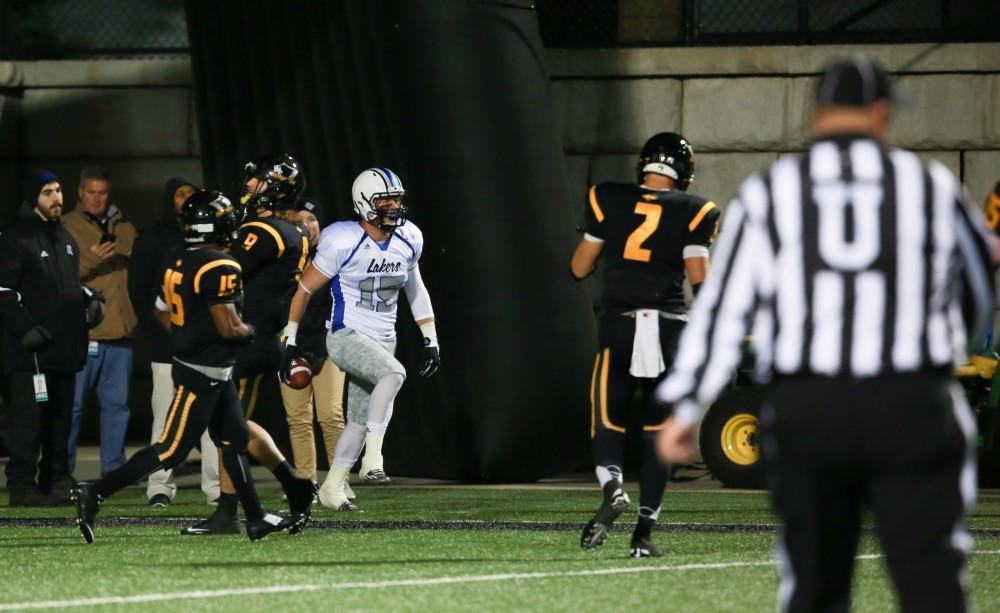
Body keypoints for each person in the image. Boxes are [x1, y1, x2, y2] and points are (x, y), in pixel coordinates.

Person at [656, 56, 995, 612]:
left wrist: (688, 406)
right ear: (881, 115)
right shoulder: (926, 184)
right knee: (932, 581)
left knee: (813, 586)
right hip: (910, 402)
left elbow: (723, 308)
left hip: (811, 406)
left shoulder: (772, 191)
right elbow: (977, 299)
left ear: (817, 114)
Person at [71, 190, 300, 543]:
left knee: (234, 439)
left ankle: (255, 517)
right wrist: (251, 332)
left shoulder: (177, 261)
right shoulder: (221, 265)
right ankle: (96, 492)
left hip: (205, 366)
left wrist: (188, 334)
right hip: (204, 371)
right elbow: (229, 327)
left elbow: (161, 312)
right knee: (171, 448)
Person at [569, 132, 719, 558]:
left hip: (621, 324)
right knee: (658, 433)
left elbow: (579, 267)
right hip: (669, 328)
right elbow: (700, 282)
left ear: (644, 164)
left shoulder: (608, 198)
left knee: (607, 420)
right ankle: (643, 536)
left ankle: (613, 486)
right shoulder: (697, 210)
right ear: (684, 173)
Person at [285, 167, 441, 511]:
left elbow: (416, 290)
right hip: (345, 334)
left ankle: (332, 486)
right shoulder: (342, 239)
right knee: (394, 374)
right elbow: (304, 290)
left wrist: (430, 337)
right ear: (364, 203)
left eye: (396, 199)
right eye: (384, 199)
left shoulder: (408, 237)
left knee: (355, 421)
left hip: (384, 338)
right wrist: (290, 337)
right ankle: (374, 458)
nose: (393, 206)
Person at [182, 154, 315, 535]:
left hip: (247, 339)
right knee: (231, 423)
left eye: (258, 181)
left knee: (227, 426)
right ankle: (294, 485)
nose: (250, 186)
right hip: (260, 337)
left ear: (274, 186)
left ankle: (229, 510)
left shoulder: (267, 231)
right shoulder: (292, 229)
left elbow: (224, 266)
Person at [0, 170, 104, 506]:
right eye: (48, 192)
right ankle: (21, 487)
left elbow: (65, 285)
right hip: (29, 355)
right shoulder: (14, 239)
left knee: (59, 424)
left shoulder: (66, 239)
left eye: (59, 190)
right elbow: (3, 292)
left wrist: (89, 298)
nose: (56, 198)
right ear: (34, 198)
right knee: (27, 423)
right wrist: (25, 328)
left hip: (64, 350)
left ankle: (56, 480)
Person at [128, 176, 220, 507]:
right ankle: (159, 486)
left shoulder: (213, 238)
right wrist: (162, 332)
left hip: (207, 348)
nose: (186, 200)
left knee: (213, 420)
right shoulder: (153, 239)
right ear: (170, 200)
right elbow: (140, 293)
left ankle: (216, 487)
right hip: (168, 347)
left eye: (192, 195)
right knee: (165, 418)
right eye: (181, 195)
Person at [63, 167, 138, 477]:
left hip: (120, 334)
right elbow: (58, 275)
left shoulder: (125, 227)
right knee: (72, 408)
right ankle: (61, 471)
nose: (96, 198)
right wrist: (92, 258)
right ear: (80, 192)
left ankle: (114, 471)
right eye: (91, 192)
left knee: (117, 408)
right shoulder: (64, 227)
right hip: (84, 333)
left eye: (102, 192)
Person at [278, 199, 351, 491]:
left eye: (312, 219)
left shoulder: (334, 257)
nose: (308, 225)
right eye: (301, 220)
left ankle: (338, 481)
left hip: (328, 343)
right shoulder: (283, 258)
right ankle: (305, 481)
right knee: (297, 418)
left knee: (331, 415)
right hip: (291, 343)